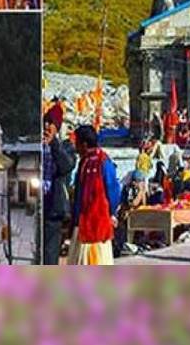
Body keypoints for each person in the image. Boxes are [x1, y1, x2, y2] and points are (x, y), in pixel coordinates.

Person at [70, 124, 119, 265]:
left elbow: (113, 190)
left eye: (77, 143)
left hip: (98, 222)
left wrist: (111, 212)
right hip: (82, 223)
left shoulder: (104, 162)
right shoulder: (84, 162)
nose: (75, 148)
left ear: (84, 145)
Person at [41, 107, 74, 266]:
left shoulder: (65, 146)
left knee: (49, 253)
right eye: (45, 122)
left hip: (53, 207)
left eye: (51, 123)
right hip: (38, 204)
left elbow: (66, 166)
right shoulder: (39, 144)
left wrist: (53, 143)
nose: (47, 126)